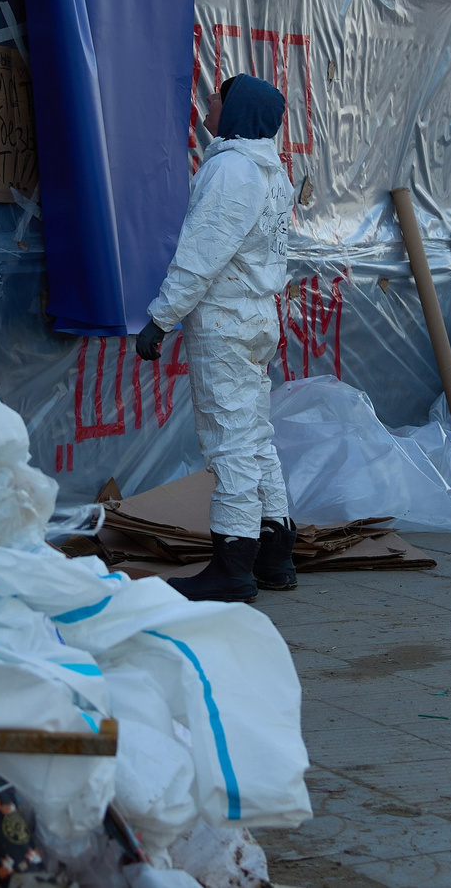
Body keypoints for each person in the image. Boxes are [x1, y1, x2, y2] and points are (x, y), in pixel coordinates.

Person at [132, 74, 294, 601]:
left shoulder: (231, 170)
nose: (212, 102)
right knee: (254, 438)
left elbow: (202, 255)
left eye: (220, 96)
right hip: (255, 317)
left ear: (239, 110)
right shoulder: (272, 173)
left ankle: (233, 566)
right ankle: (275, 554)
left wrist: (161, 317)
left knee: (229, 443)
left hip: (225, 321)